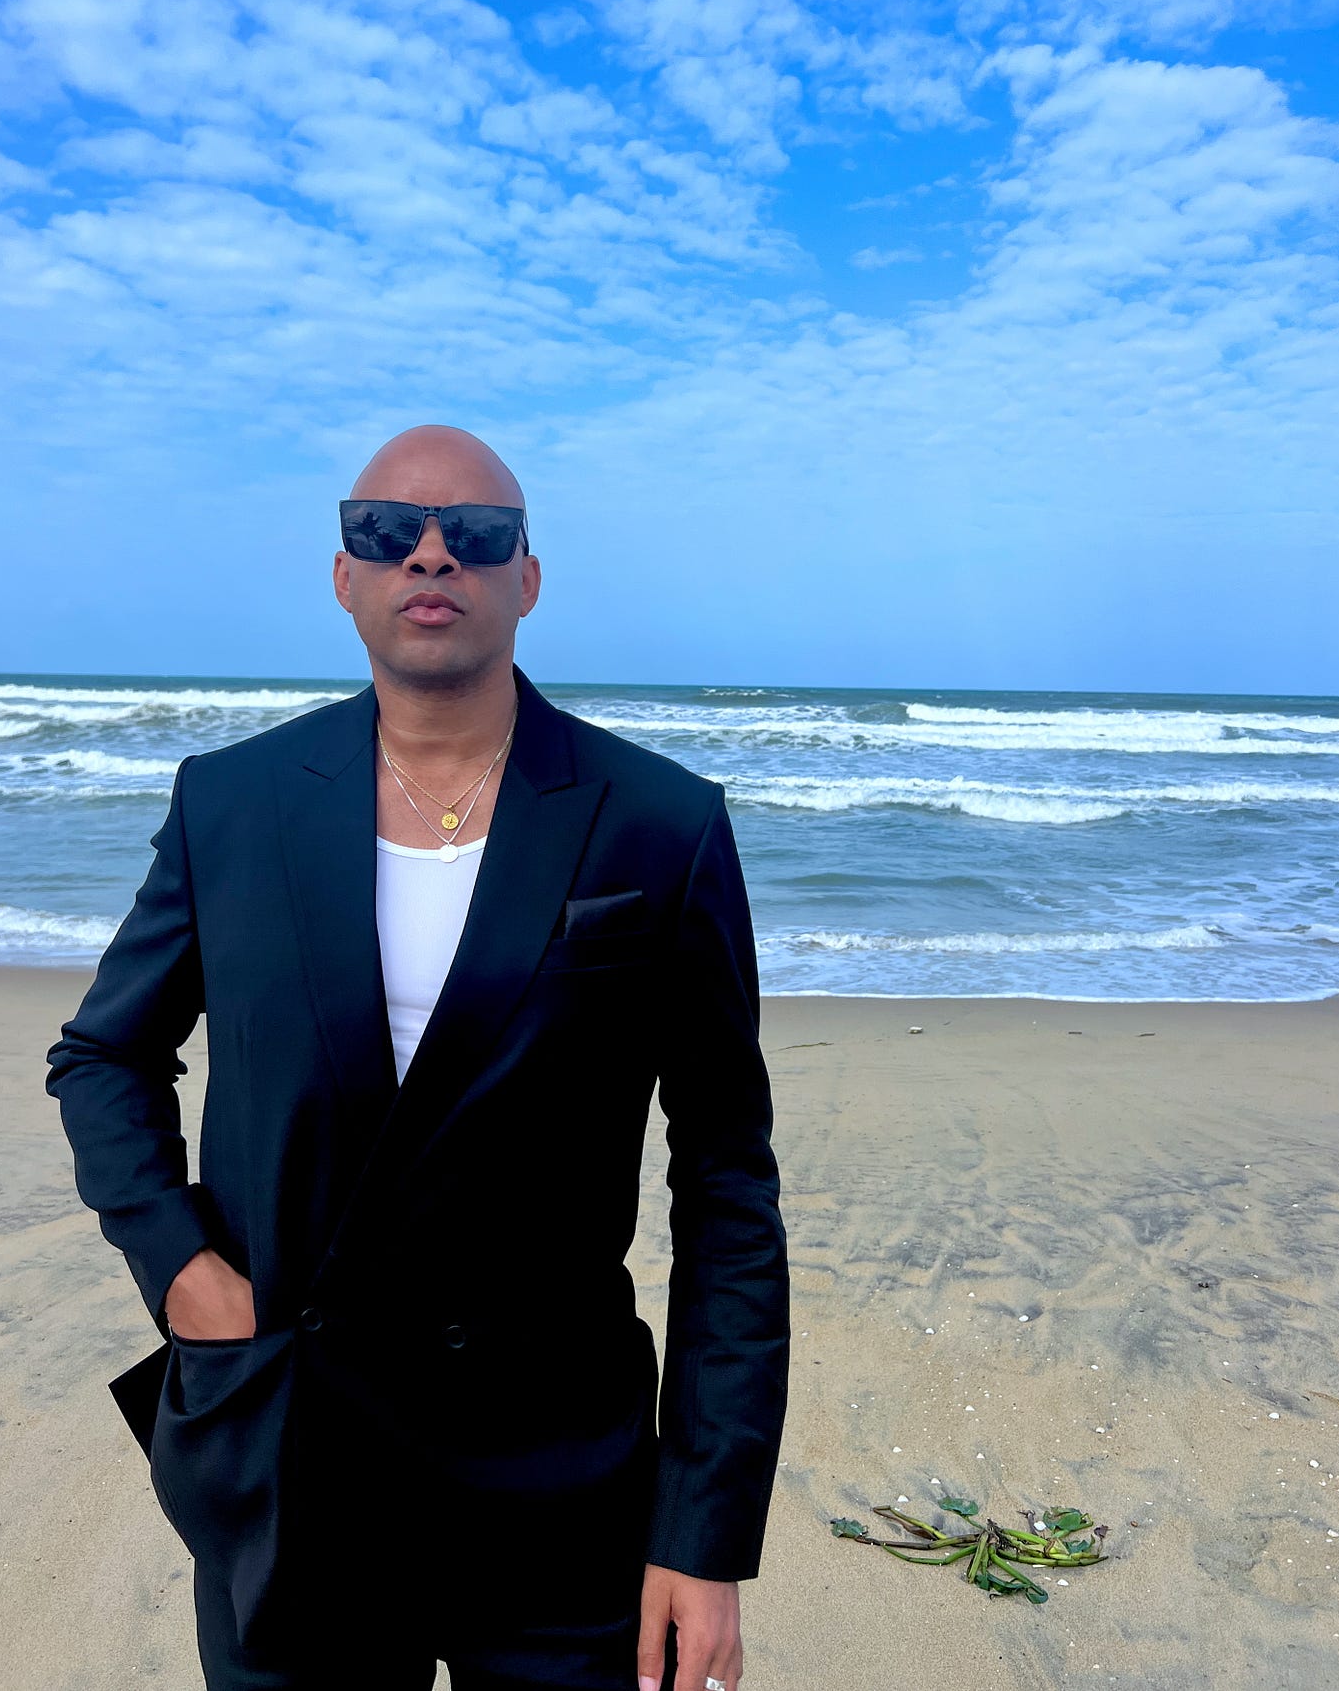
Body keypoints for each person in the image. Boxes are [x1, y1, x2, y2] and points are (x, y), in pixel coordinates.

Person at [45, 424, 790, 1691]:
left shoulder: (658, 822)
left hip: (561, 1474)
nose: (430, 554)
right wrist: (180, 1271)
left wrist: (703, 1532)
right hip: (295, 1443)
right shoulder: (233, 803)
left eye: (475, 535)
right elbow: (103, 1055)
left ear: (525, 580)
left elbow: (726, 1185)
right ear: (346, 576)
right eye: (386, 531)